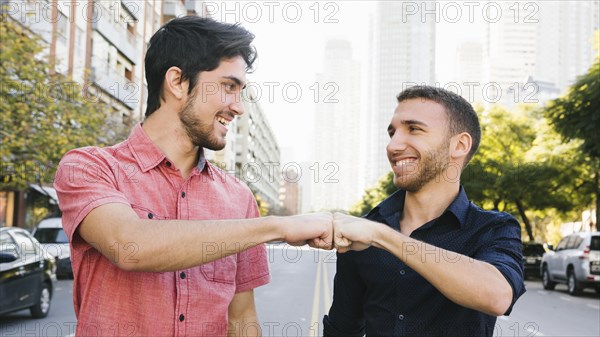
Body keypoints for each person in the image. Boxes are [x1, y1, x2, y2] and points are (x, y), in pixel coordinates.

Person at [54, 16, 332, 336]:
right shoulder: (89, 167)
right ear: (178, 82)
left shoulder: (238, 197)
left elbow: (241, 320)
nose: (238, 107)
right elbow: (128, 244)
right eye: (229, 87)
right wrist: (279, 226)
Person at [324, 86, 525, 336]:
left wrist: (383, 237)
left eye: (414, 129)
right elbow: (342, 329)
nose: (393, 145)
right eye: (392, 132)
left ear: (460, 145)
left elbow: (497, 296)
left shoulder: (493, 229)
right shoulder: (363, 233)